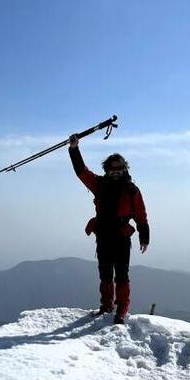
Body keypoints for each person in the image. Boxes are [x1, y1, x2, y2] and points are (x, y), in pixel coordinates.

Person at [68, 134, 149, 324]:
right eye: (112, 169)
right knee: (105, 273)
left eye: (119, 168)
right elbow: (82, 172)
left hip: (120, 237)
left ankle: (121, 309)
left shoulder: (131, 190)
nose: (115, 172)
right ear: (107, 170)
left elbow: (141, 214)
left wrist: (144, 236)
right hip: (104, 235)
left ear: (124, 169)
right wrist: (74, 149)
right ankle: (106, 306)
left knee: (121, 274)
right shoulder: (100, 185)